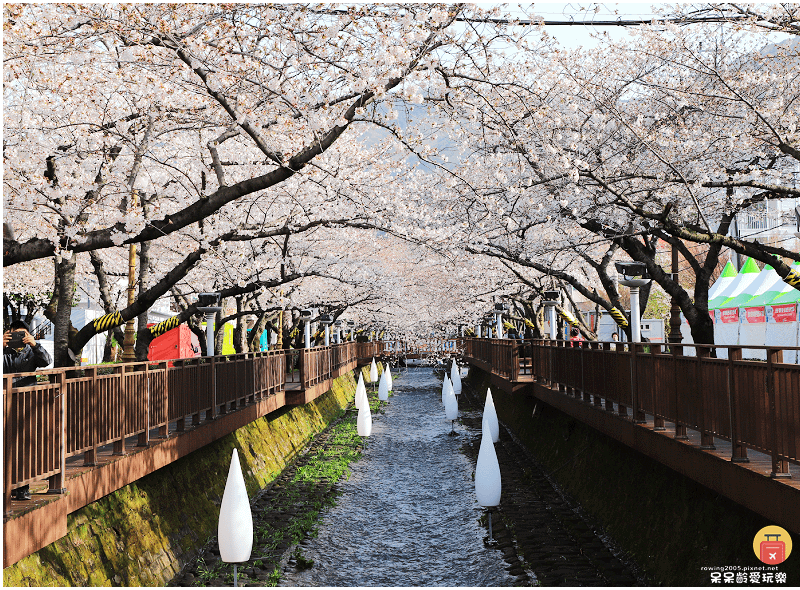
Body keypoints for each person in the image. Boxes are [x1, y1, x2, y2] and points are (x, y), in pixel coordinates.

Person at [3, 320, 52, 501]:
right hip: (4, 404)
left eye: (23, 335)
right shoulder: (3, 351)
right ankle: (7, 487)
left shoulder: (31, 351)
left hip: (25, 403)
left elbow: (46, 361)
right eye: (16, 334)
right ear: (9, 333)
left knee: (23, 447)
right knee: (6, 447)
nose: (19, 338)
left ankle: (22, 487)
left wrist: (34, 344)